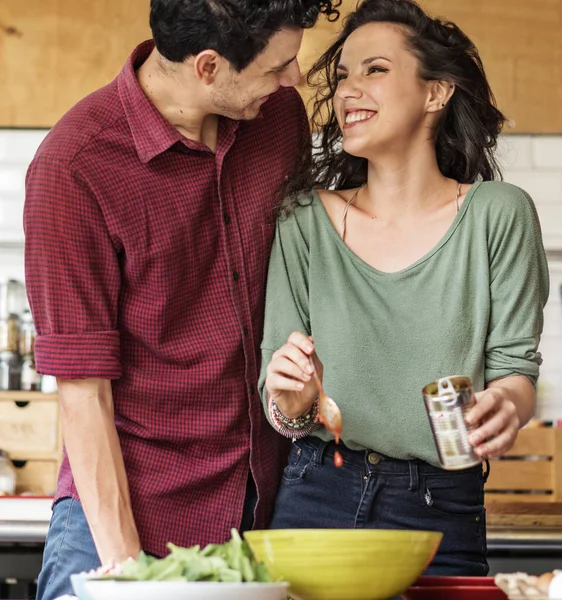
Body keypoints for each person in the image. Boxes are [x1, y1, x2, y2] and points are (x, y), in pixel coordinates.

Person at [24, 1, 341, 598]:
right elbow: (82, 394)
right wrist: (128, 576)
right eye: (279, 66)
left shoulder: (276, 117)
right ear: (208, 67)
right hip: (122, 516)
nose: (293, 80)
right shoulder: (73, 169)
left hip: (261, 509)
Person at [259, 0, 549, 577]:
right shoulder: (302, 222)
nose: (347, 91)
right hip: (317, 490)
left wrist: (507, 408)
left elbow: (516, 370)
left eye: (375, 70)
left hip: (441, 504)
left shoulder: (499, 214)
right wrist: (291, 401)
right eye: (342, 75)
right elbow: (280, 397)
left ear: (436, 93)